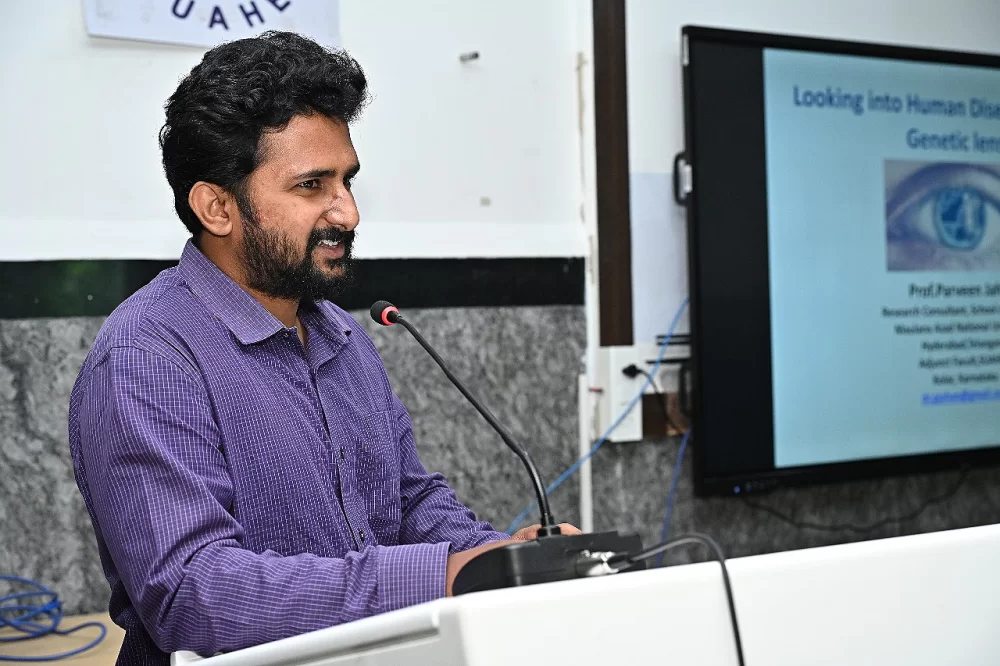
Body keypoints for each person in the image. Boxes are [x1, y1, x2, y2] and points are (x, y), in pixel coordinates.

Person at [68, 31, 578, 665]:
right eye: (312, 186)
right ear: (217, 207)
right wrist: (440, 577)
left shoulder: (341, 334)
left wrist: (499, 558)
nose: (348, 213)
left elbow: (408, 501)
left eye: (347, 181)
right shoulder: (147, 357)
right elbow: (193, 595)